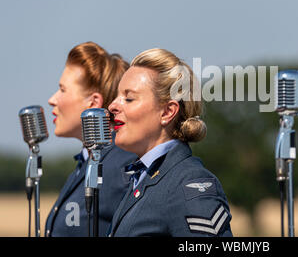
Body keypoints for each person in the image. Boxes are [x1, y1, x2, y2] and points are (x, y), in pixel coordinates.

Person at [107, 48, 232, 237]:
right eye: (117, 96)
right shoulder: (142, 179)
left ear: (167, 112)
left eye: (129, 98)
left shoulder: (190, 183)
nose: (112, 106)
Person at [45, 42, 137, 237]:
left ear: (93, 103)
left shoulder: (124, 166)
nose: (52, 99)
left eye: (62, 90)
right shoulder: (89, 161)